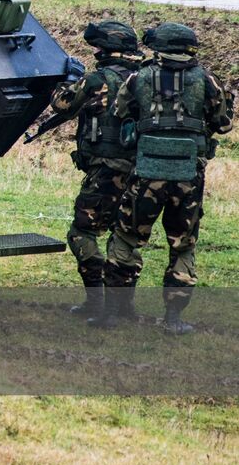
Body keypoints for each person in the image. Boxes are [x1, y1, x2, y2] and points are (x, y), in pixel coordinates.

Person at [96, 23, 233, 334]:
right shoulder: (208, 80)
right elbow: (223, 125)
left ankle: (114, 312)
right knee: (182, 245)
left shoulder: (139, 77)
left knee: (126, 238)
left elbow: (120, 113)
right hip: (187, 177)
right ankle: (173, 319)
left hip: (145, 174)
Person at [47, 21, 142, 317]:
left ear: (108, 49)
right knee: (125, 235)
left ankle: (97, 300)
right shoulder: (146, 78)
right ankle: (123, 303)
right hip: (142, 171)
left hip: (106, 171)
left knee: (81, 232)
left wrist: (71, 78)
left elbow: (62, 104)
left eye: (98, 47)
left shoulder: (97, 80)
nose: (96, 51)